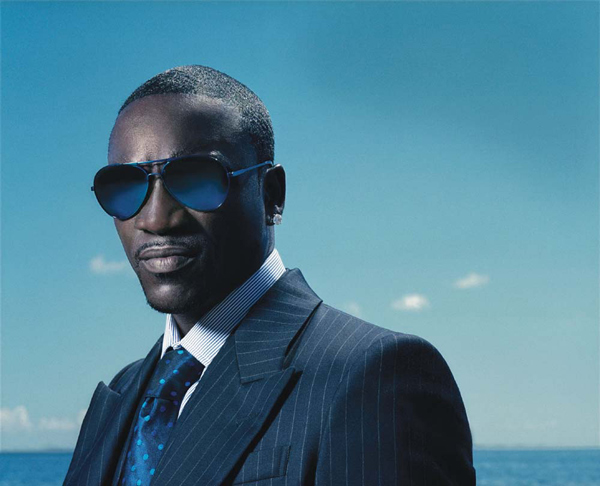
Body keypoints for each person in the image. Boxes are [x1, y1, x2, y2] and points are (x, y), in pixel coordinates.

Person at [64, 65, 475, 486]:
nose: (154, 219)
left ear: (271, 195)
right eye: (125, 187)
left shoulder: (374, 377)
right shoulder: (123, 394)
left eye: (196, 179)